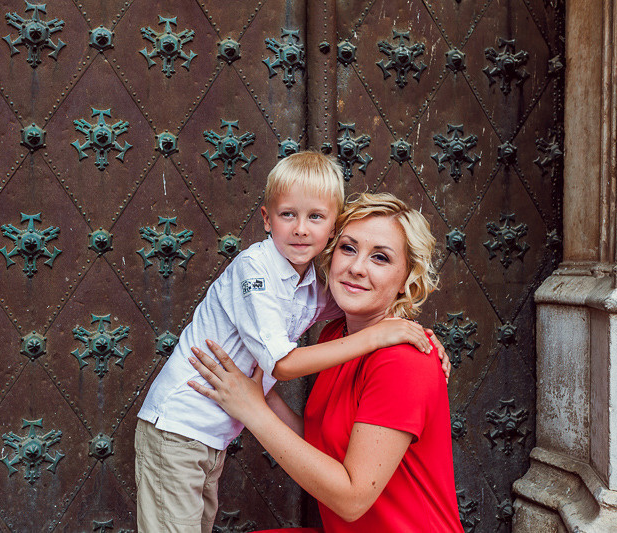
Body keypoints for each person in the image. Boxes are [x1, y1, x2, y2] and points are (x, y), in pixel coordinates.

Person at [135, 154, 451, 533]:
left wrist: (254, 408)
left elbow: (351, 497)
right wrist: (257, 399)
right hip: (183, 425)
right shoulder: (334, 331)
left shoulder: (400, 358)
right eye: (349, 249)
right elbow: (315, 431)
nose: (356, 268)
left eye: (380, 258)